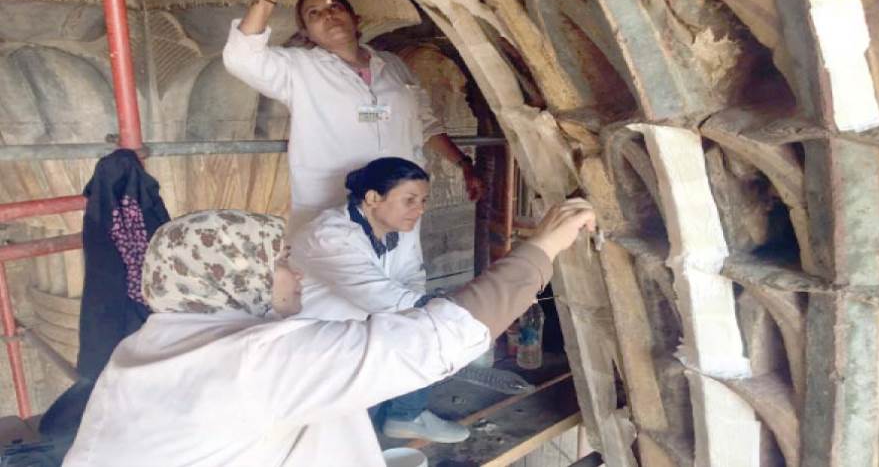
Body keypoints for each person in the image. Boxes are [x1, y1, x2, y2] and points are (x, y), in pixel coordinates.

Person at [62, 200, 596, 466]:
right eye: (279, 262)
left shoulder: (145, 345)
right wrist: (544, 248)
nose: (295, 273)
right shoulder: (254, 360)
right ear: (234, 274)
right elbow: (437, 339)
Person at [222, 0, 483, 236]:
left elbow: (425, 123)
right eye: (314, 13)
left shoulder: (393, 65)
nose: (328, 15)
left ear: (355, 18)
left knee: (399, 262)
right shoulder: (299, 68)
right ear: (306, 33)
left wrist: (463, 164)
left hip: (400, 207)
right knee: (341, 260)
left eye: (335, 7)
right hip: (333, 210)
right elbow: (241, 58)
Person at [290, 157, 462, 442]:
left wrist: (431, 310)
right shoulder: (329, 235)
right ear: (372, 198)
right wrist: (447, 311)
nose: (420, 209)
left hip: (364, 331)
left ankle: (405, 416)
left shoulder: (400, 230)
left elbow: (412, 277)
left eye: (423, 200)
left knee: (425, 328)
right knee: (342, 438)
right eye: (409, 200)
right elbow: (377, 295)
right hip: (320, 342)